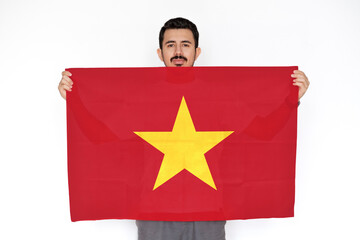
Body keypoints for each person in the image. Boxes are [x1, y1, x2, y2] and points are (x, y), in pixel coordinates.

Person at [58, 17, 310, 240]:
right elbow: (101, 137)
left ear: (197, 51)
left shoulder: (219, 96)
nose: (178, 51)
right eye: (171, 45)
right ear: (160, 53)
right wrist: (75, 102)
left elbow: (261, 133)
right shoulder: (140, 97)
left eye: (185, 45)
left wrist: (290, 100)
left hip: (208, 211)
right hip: (153, 212)